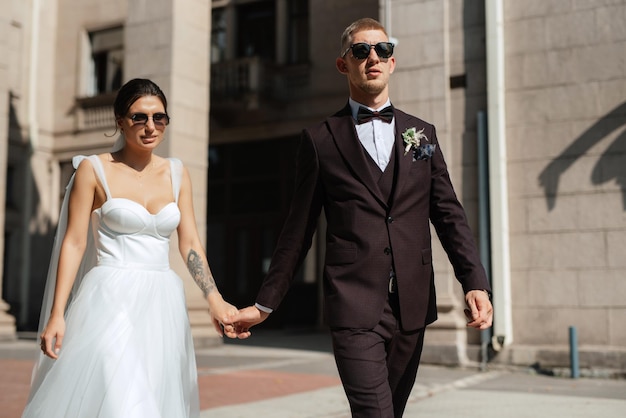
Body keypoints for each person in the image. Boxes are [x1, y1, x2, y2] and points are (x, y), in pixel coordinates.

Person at [227, 18, 493, 417]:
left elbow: (449, 214)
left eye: (382, 50)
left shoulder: (422, 134)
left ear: (392, 62)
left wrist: (474, 281)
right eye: (361, 51)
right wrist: (265, 305)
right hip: (353, 305)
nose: (373, 57)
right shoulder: (320, 140)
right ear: (343, 64)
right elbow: (297, 232)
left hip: (412, 305)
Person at [23, 78, 249, 418]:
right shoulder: (93, 169)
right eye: (139, 117)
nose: (150, 127)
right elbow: (73, 241)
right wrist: (57, 314)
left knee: (153, 401)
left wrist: (214, 299)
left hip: (162, 305)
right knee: (124, 403)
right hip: (108, 301)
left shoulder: (177, 173)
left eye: (159, 118)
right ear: (119, 120)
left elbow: (189, 244)